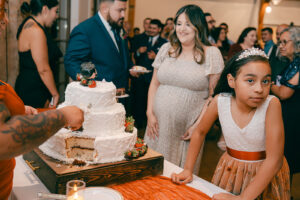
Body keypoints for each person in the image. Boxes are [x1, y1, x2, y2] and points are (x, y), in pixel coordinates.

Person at [171, 48, 290, 199]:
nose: (259, 89)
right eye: (250, 81)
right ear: (231, 80)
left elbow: (274, 160)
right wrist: (188, 169)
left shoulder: (272, 104)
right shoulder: (219, 102)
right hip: (231, 171)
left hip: (264, 174)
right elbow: (200, 132)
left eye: (265, 81)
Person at [0, 2, 83, 199]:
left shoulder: (28, 26)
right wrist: (62, 114)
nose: (5, 20)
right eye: (1, 11)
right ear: (44, 9)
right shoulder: (35, 30)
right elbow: (3, 139)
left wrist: (17, 108)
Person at [145, 5, 224, 174]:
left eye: (188, 24)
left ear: (198, 26)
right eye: (178, 23)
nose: (181, 29)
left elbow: (213, 97)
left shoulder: (211, 54)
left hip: (187, 131)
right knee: (151, 173)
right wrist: (149, 113)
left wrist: (199, 125)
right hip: (157, 126)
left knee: (176, 178)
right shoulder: (166, 49)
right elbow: (154, 84)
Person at [64, 0, 131, 97]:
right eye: (120, 10)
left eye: (124, 10)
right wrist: (93, 85)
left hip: (120, 95)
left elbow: (120, 57)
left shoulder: (118, 27)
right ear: (104, 9)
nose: (123, 15)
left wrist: (130, 68)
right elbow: (72, 63)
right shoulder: (85, 30)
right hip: (97, 98)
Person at [14, 0, 62, 109]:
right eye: (56, 11)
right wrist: (55, 94)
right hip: (34, 91)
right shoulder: (35, 30)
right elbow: (43, 69)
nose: (56, 16)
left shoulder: (29, 24)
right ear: (45, 9)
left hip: (32, 87)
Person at [271, 27, 300, 182]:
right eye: (279, 42)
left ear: (297, 44)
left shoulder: (298, 64)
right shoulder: (291, 63)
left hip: (294, 118)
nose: (280, 46)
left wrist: (269, 85)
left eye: (284, 42)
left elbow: (284, 93)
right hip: (288, 115)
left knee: (288, 159)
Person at [130, 19, 167, 135]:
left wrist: (156, 57)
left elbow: (167, 62)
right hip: (140, 76)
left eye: (154, 28)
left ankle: (150, 123)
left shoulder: (164, 43)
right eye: (150, 27)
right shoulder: (141, 39)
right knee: (139, 100)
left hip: (155, 78)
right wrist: (138, 52)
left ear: (159, 29)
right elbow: (132, 54)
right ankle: (139, 125)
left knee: (152, 101)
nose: (151, 30)